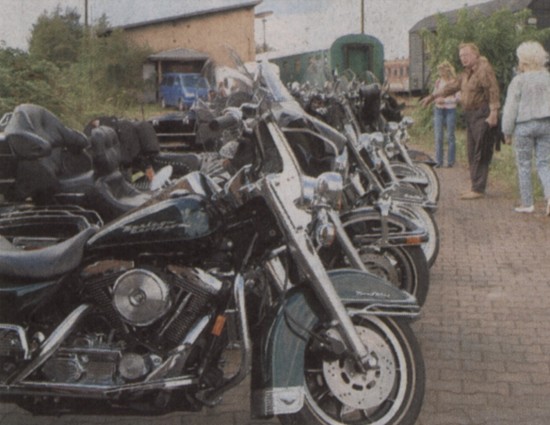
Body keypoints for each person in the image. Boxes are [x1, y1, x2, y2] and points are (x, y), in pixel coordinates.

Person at [422, 42, 500, 200]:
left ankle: (478, 189)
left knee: (481, 151)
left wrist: (493, 113)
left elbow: (493, 90)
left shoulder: (484, 69)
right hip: (470, 115)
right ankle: (475, 186)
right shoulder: (466, 73)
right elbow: (451, 87)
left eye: (466, 55)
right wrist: (432, 96)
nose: (463, 58)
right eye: (461, 56)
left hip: (482, 114)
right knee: (472, 151)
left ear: (475, 55)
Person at [501, 41, 550, 215]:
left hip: (524, 125)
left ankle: (528, 203)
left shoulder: (519, 81)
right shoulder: (547, 78)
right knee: (544, 162)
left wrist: (507, 131)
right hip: (546, 124)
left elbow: (511, 107)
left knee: (524, 164)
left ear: (524, 61)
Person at [432, 61, 458, 168]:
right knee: (438, 135)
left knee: (450, 135)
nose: (440, 73)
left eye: (441, 71)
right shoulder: (438, 82)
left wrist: (445, 101)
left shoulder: (454, 82)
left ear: (447, 71)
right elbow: (434, 94)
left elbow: (458, 98)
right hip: (438, 109)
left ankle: (450, 161)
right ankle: (439, 160)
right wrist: (436, 100)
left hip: (450, 109)